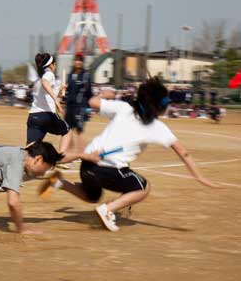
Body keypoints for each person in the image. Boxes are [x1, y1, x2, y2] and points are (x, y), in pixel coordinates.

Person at [39, 78, 221, 232]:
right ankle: (108, 209)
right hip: (107, 169)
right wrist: (199, 177)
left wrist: (105, 95)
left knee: (91, 195)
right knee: (143, 187)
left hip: (87, 165)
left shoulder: (123, 108)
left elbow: (92, 102)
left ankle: (59, 183)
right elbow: (184, 152)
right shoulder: (157, 128)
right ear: (159, 107)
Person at [27, 53, 70, 153]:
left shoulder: (38, 78)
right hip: (47, 115)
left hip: (33, 116)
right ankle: (61, 159)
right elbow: (45, 82)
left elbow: (45, 94)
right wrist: (56, 101)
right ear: (51, 65)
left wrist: (59, 92)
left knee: (31, 148)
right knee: (67, 131)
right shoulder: (49, 74)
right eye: (54, 64)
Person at [64, 53, 93, 152]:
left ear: (82, 62)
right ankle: (65, 155)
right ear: (73, 61)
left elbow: (89, 93)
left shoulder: (86, 76)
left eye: (80, 60)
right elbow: (67, 92)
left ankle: (84, 156)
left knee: (79, 132)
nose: (78, 62)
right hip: (69, 107)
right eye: (76, 60)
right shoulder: (70, 75)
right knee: (67, 131)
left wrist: (89, 109)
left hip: (80, 107)